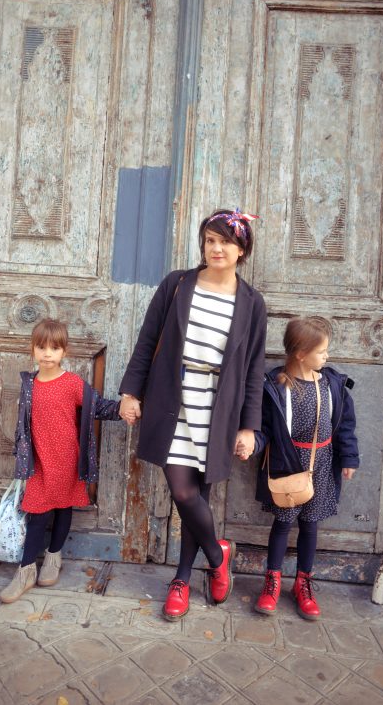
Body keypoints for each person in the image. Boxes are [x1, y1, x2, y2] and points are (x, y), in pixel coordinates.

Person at [119, 209, 267, 621]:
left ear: (242, 249)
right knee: (183, 491)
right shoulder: (178, 284)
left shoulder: (252, 303)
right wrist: (131, 392)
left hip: (219, 407)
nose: (216, 248)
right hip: (173, 398)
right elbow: (148, 340)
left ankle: (182, 579)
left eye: (225, 241)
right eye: (210, 240)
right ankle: (218, 556)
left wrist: (249, 426)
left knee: (196, 495)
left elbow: (254, 368)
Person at [0, 318, 134, 603]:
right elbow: (24, 423)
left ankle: (53, 557)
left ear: (65, 352)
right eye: (42, 347)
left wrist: (124, 408)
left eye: (54, 348)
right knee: (37, 513)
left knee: (62, 508)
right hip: (39, 461)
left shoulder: (73, 384)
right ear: (32, 349)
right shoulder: (29, 384)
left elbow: (99, 407)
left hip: (66, 459)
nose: (48, 353)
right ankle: (25, 571)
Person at [240, 316, 359, 621]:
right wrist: (253, 442)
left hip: (322, 463)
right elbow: (266, 428)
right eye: (322, 351)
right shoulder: (277, 386)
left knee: (310, 524)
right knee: (282, 523)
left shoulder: (333, 384)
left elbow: (344, 426)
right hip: (288, 464)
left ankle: (303, 583)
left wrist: (349, 458)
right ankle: (273, 581)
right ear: (301, 354)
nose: (327, 356)